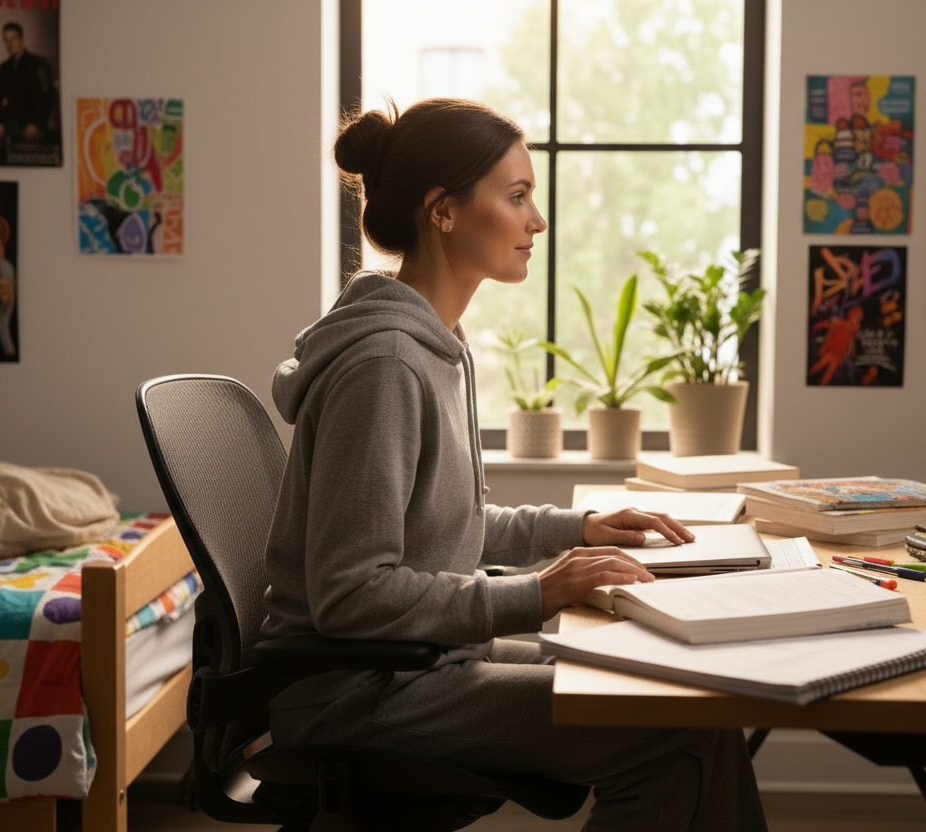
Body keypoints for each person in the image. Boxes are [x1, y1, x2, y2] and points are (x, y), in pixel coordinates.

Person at [261, 98, 767, 831]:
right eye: (518, 196)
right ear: (443, 211)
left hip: (419, 660)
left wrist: (581, 528)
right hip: (361, 691)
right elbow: (352, 593)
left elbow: (452, 523)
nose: (538, 221)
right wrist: (539, 592)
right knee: (673, 733)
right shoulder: (386, 365)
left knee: (693, 706)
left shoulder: (437, 345)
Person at [0, 22, 54, 146]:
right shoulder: (3, 67)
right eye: (6, 40)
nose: (9, 44)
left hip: (32, 127)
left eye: (13, 39)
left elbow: (48, 95)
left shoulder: (38, 63)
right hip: (9, 127)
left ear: (21, 39)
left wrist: (37, 124)